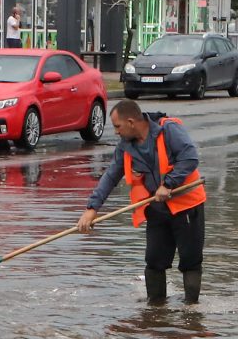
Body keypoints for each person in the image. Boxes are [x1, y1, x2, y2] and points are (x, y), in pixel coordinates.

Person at [77, 98, 206, 304]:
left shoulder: (169, 130)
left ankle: (191, 310)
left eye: (117, 126)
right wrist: (92, 208)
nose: (116, 132)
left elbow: (190, 157)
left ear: (131, 122)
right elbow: (111, 176)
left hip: (186, 206)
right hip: (156, 208)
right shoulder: (125, 147)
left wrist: (169, 184)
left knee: (190, 261)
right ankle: (155, 310)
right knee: (154, 261)